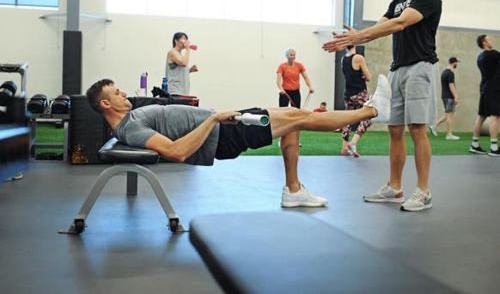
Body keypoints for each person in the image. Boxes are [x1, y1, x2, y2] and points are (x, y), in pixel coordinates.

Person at [86, 75, 391, 208]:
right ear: (106, 105)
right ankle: (373, 111)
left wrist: (214, 118)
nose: (123, 93)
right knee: (303, 118)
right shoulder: (133, 127)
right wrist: (213, 119)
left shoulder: (132, 117)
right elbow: (177, 152)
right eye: (116, 93)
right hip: (224, 134)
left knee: (293, 118)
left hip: (224, 126)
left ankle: (293, 190)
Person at [322, 0, 442, 212]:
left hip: (420, 66)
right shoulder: (397, 0)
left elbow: (399, 24)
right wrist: (355, 37)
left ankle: (423, 191)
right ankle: (395, 187)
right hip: (397, 69)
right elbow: (380, 27)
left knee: (417, 129)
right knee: (394, 129)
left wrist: (361, 36)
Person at [469, 35, 500, 157]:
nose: (491, 40)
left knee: (481, 116)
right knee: (495, 117)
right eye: (489, 39)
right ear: (484, 43)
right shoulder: (492, 54)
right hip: (494, 90)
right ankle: (493, 148)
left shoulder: (480, 57)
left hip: (484, 89)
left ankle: (474, 144)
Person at [340, 45, 372, 157]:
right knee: (368, 117)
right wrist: (363, 75)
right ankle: (353, 142)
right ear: (354, 44)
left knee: (347, 120)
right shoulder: (358, 58)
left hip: (347, 93)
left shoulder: (343, 59)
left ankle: (344, 148)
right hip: (359, 93)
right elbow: (368, 77)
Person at [429, 57, 460, 140]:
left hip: (445, 96)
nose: (457, 64)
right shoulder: (450, 73)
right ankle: (449, 134)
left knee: (448, 114)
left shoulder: (444, 72)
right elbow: (451, 85)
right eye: (457, 63)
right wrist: (456, 96)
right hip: (449, 96)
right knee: (450, 115)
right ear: (454, 63)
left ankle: (434, 126)